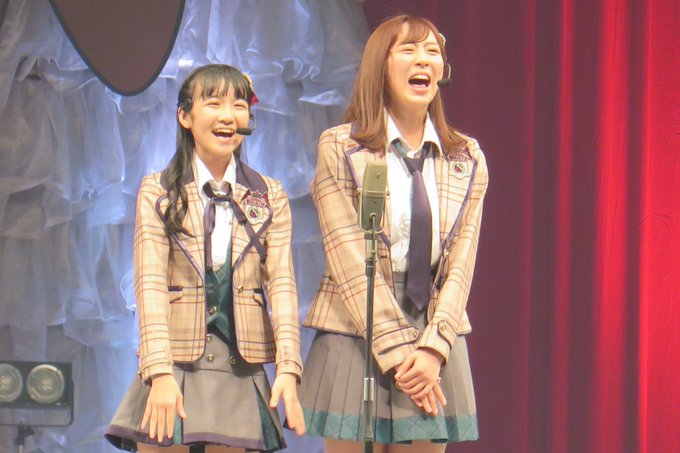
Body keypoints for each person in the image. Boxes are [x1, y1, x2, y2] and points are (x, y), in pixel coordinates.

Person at [299, 15, 488, 453]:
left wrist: (433, 349)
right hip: (356, 326)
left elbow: (461, 264)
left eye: (432, 52)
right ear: (379, 66)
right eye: (408, 49)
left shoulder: (466, 158)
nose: (423, 60)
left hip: (432, 330)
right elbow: (347, 256)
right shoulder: (341, 147)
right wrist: (402, 353)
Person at [105, 64, 305, 453]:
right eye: (213, 103)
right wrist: (159, 372)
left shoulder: (270, 195)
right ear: (185, 116)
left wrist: (288, 367)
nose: (228, 116)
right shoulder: (159, 192)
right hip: (174, 364)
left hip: (239, 367)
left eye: (239, 105)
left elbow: (282, 285)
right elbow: (150, 285)